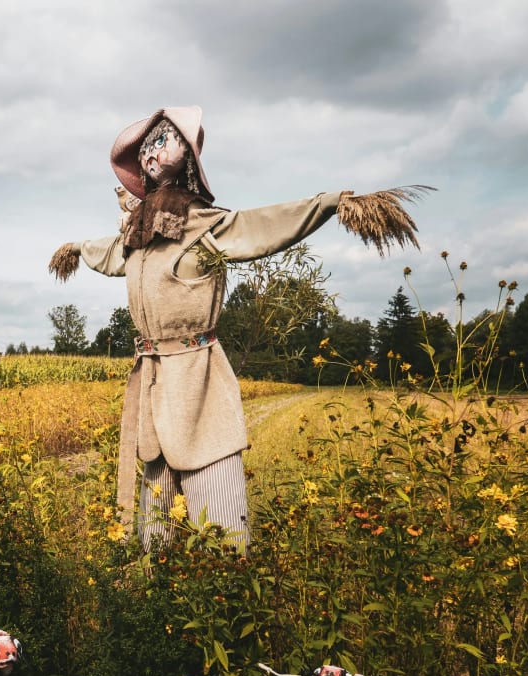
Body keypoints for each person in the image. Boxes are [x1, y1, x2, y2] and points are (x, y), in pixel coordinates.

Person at [49, 106, 427, 550]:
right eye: (145, 146)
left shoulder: (208, 225)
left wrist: (329, 203)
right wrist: (77, 247)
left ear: (188, 155)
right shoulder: (137, 237)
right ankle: (153, 586)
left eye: (162, 140)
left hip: (199, 381)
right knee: (155, 533)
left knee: (221, 526)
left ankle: (226, 581)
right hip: (152, 384)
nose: (150, 152)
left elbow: (266, 224)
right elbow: (107, 251)